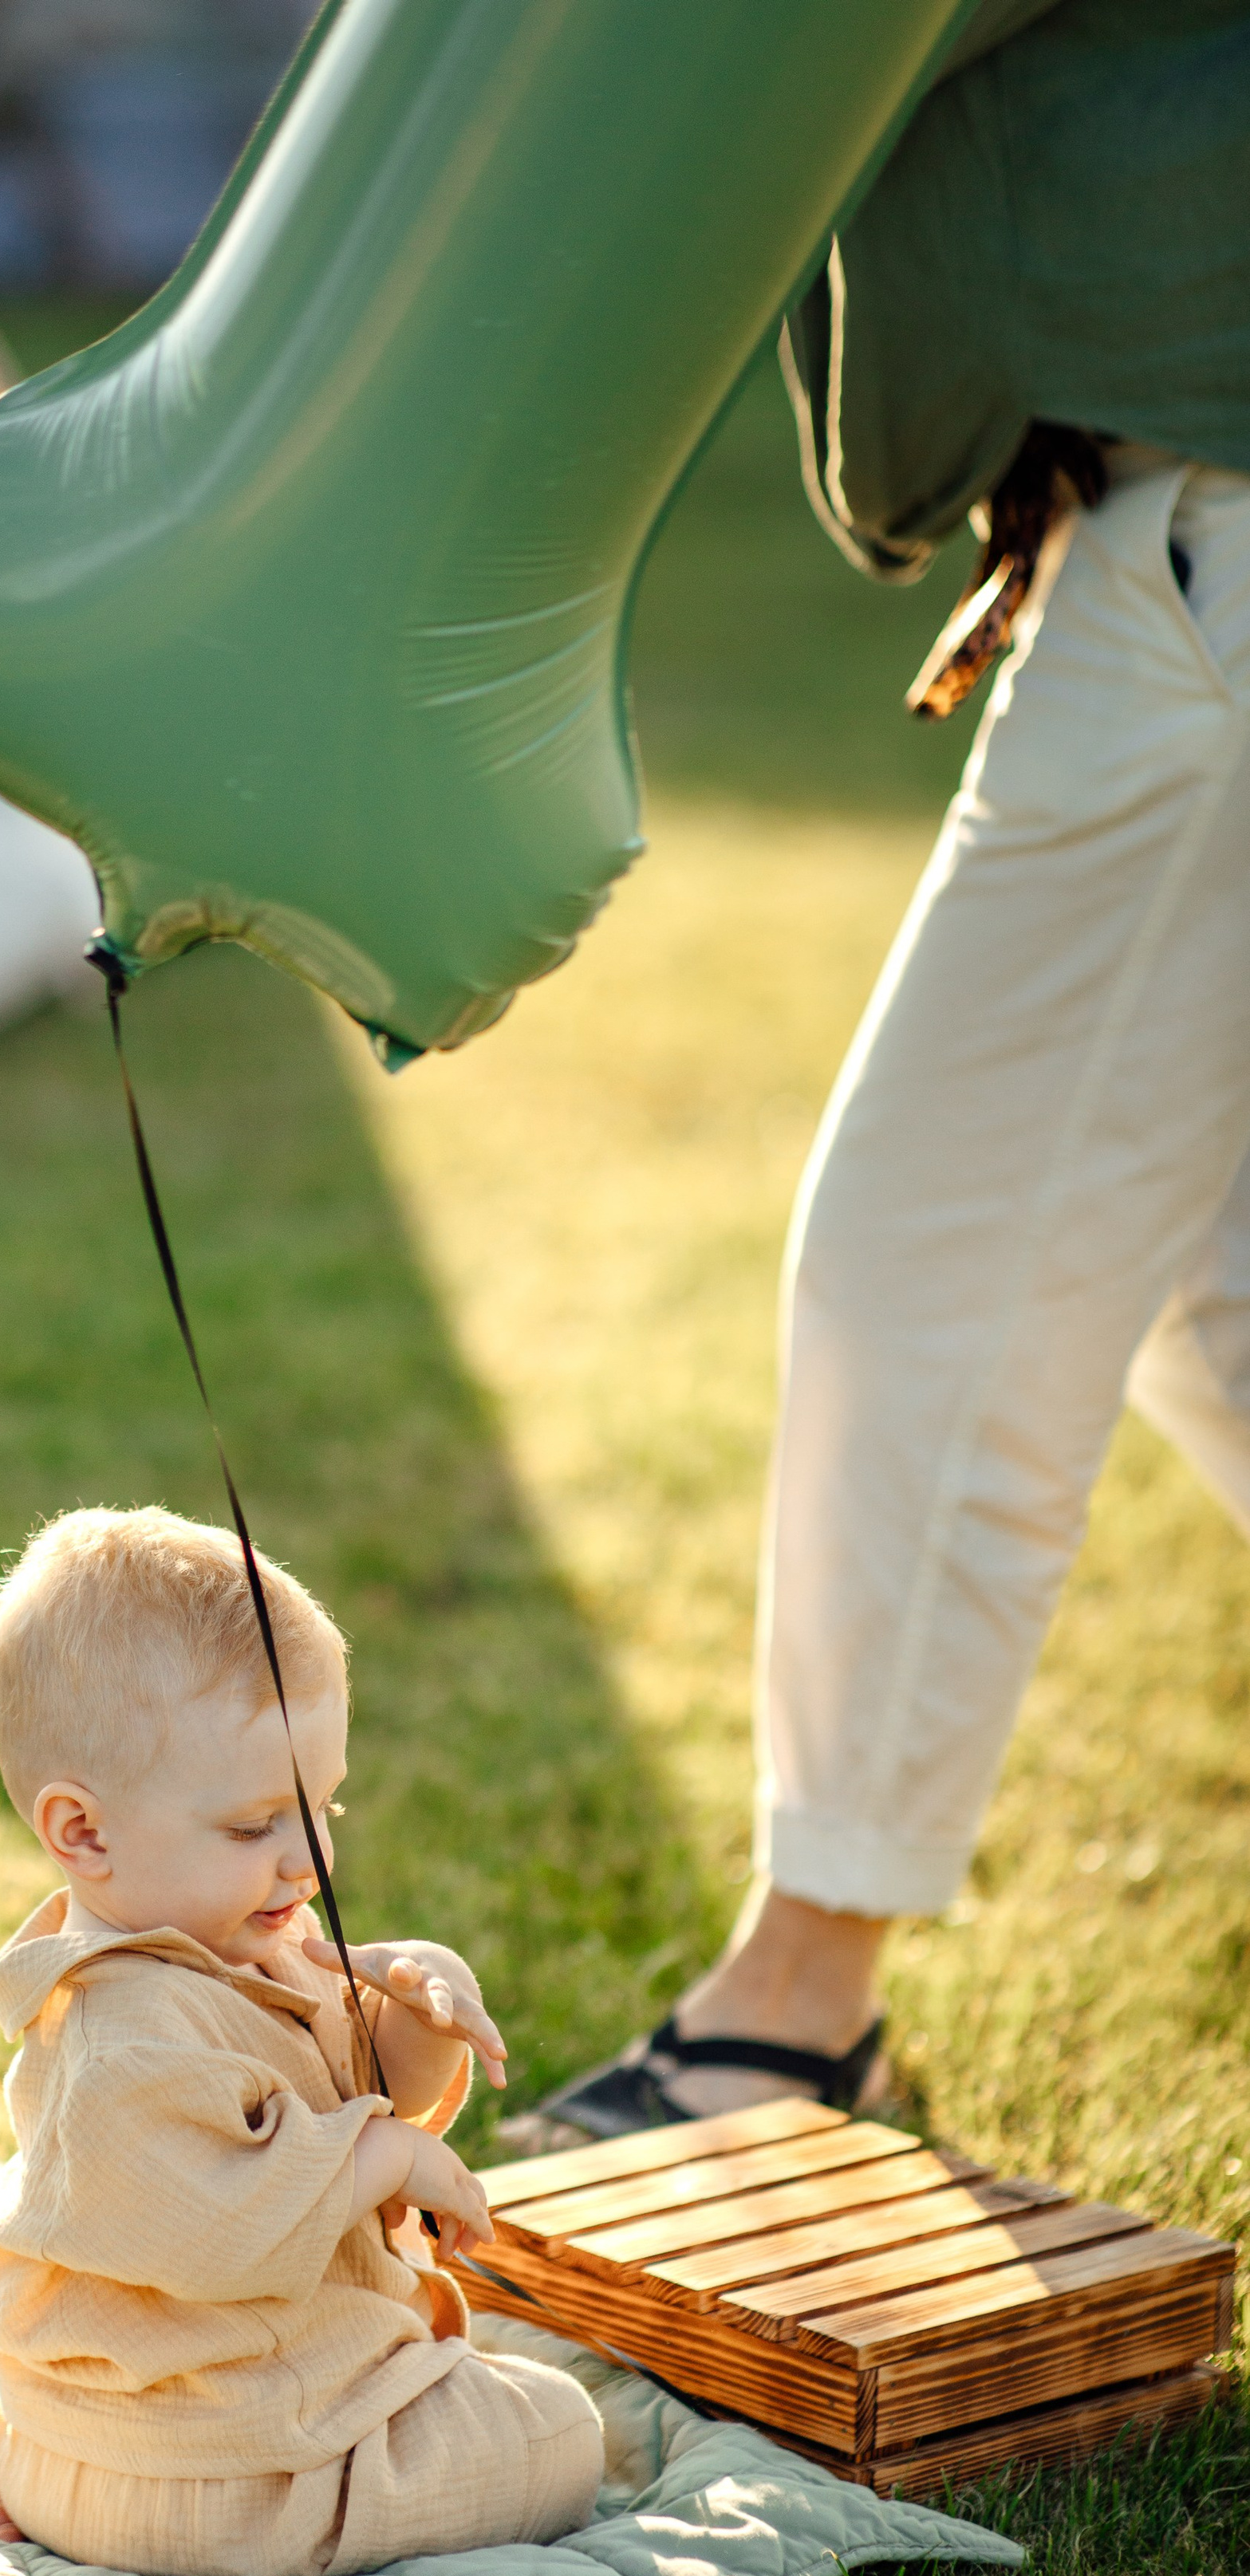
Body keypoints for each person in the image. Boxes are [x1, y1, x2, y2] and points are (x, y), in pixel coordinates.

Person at [530, 0, 1250, 2141]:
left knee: (934, 1255)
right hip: (1196, 516)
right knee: (1214, 1286)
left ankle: (791, 2007)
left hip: (1213, 541)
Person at [0, 1505, 603, 2576]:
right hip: (215, 2471)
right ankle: (35, 2438)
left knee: (501, 2389)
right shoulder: (120, 2037)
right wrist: (389, 2160)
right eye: (256, 1825)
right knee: (558, 2435)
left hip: (183, 2401)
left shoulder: (236, 1938)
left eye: (326, 1805)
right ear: (82, 1832)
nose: (307, 1858)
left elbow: (361, 2097)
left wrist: (413, 2016)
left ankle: (21, 2413)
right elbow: (224, 2230)